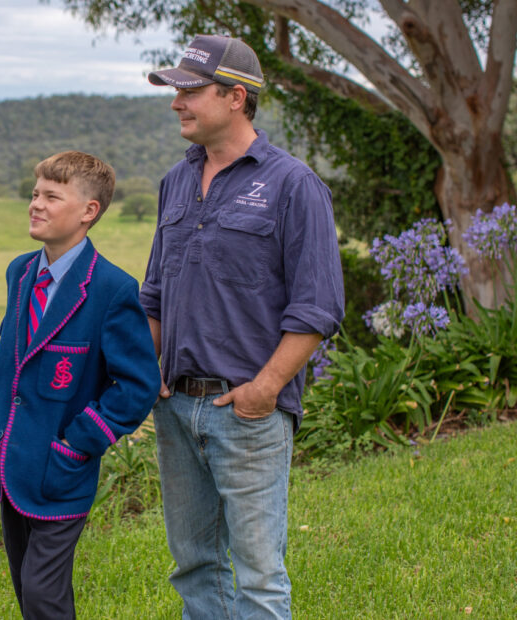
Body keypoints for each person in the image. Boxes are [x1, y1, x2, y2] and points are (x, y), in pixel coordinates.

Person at [142, 35, 345, 619]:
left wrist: (265, 389)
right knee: (194, 566)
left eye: (189, 90)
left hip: (247, 411)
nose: (176, 102)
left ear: (236, 96)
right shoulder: (175, 182)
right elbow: (155, 293)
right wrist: (142, 374)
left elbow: (318, 306)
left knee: (258, 576)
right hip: (176, 407)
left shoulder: (293, 185)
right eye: (175, 90)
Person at [0, 151, 160, 619]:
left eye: (51, 196)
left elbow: (137, 386)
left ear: (88, 212)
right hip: (10, 458)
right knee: (27, 588)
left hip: (62, 470)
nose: (35, 204)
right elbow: (7, 350)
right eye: (35, 194)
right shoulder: (21, 272)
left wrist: (78, 444)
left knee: (43, 593)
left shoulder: (111, 289)